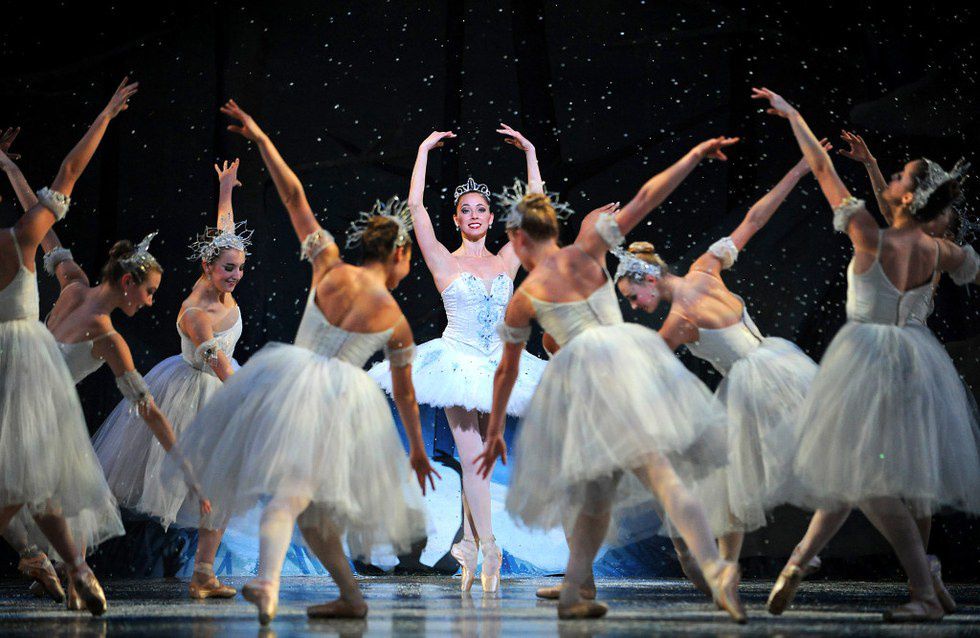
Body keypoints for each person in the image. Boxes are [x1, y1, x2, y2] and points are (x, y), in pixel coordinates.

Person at [165, 100, 440, 625]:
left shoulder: (328, 264)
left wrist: (261, 138)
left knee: (298, 503)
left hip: (293, 389)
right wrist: (418, 450)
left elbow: (293, 196)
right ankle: (323, 592)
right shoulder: (395, 317)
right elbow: (405, 394)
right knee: (306, 508)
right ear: (400, 255)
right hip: (342, 405)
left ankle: (290, 586)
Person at [475, 135, 749, 623]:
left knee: (618, 487)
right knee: (618, 490)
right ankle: (584, 590)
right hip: (628, 371)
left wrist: (495, 429)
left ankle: (703, 566)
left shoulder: (527, 294)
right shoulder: (589, 250)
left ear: (518, 239)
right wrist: (693, 156)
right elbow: (646, 197)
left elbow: (507, 370)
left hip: (586, 388)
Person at [753, 86, 980, 622]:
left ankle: (922, 589)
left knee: (866, 478)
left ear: (908, 197)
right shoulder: (939, 250)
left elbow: (821, 167)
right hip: (917, 362)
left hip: (867, 360)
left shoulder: (868, 237)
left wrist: (794, 114)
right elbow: (943, 246)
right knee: (881, 474)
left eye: (900, 176)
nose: (892, 180)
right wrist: (876, 167)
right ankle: (823, 563)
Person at [369, 126, 548, 591]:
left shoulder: (507, 259)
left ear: (491, 218)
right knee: (474, 460)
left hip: (497, 364)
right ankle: (490, 546)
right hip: (455, 365)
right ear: (456, 219)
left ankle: (467, 543)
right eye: (465, 209)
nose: (473, 215)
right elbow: (415, 208)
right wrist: (423, 150)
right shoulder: (443, 260)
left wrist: (530, 153)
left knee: (478, 462)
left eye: (481, 209)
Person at [0, 78, 139, 615]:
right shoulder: (21, 237)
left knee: (25, 478)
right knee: (32, 478)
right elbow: (68, 174)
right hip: (25, 362)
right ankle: (70, 565)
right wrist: (104, 115)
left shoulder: (27, 241)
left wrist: (8, 167)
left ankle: (51, 559)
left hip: (20, 367)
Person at [90, 160, 246, 600]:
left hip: (215, 391)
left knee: (225, 484)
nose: (235, 275)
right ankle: (69, 558)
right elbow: (221, 367)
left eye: (239, 268)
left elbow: (225, 234)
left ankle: (204, 575)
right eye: (228, 269)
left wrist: (225, 191)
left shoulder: (221, 277)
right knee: (131, 487)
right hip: (192, 393)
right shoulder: (196, 313)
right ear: (207, 266)